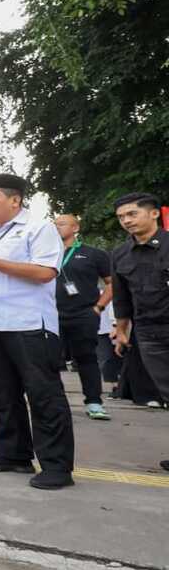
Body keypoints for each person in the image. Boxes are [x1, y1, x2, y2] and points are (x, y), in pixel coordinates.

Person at [0, 173, 75, 490]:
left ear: (15, 200)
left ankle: (57, 466)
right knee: (1, 393)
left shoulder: (38, 229)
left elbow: (44, 273)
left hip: (28, 324)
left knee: (43, 395)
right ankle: (13, 454)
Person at [110, 192, 169, 472]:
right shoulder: (120, 254)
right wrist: (121, 331)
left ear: (154, 213)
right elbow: (121, 298)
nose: (126, 221)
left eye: (132, 214)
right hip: (148, 333)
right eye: (121, 217)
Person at [53, 214, 114, 421]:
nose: (57, 227)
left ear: (75, 227)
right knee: (49, 360)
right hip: (52, 315)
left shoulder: (93, 254)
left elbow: (111, 283)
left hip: (84, 314)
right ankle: (56, 404)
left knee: (86, 358)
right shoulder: (46, 254)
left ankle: (94, 402)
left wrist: (98, 307)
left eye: (61, 224)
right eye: (55, 224)